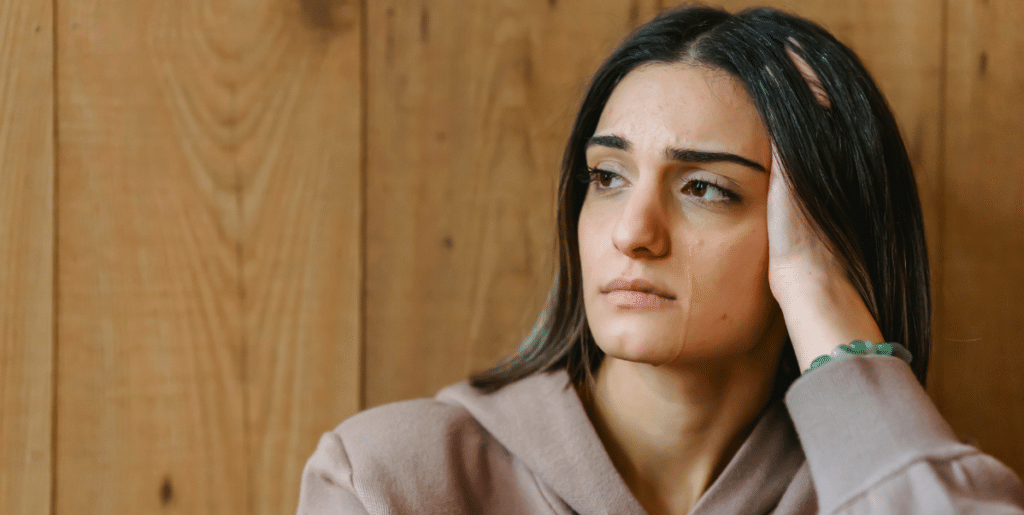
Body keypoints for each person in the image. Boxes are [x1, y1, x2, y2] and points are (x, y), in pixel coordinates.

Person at [297, 5, 1024, 514]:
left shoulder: (881, 481)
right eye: (608, 178)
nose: (633, 232)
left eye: (706, 187)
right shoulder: (393, 481)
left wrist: (817, 293)